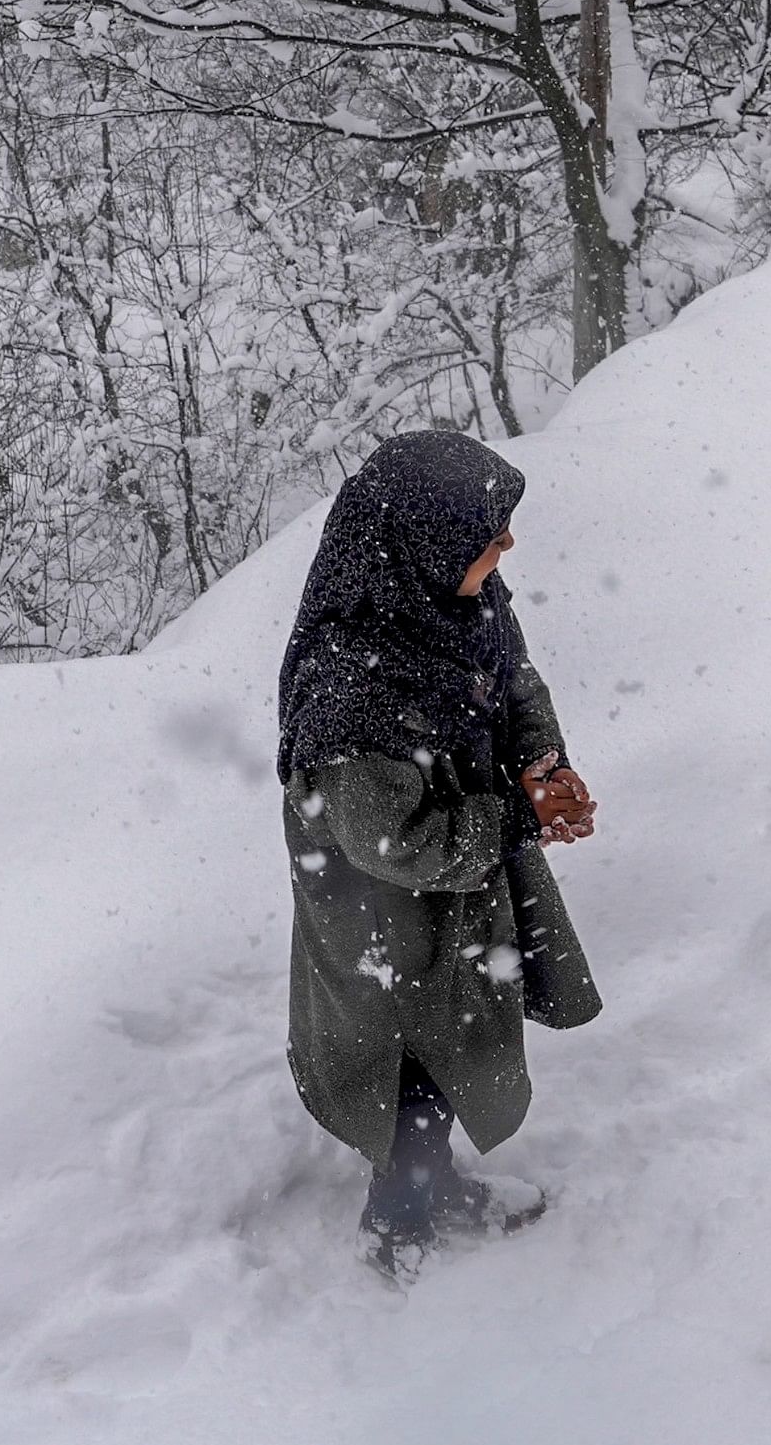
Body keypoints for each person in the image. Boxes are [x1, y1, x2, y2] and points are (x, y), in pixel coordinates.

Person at [277, 430, 602, 1277]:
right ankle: (398, 1230)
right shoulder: (348, 695)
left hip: (457, 901)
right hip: (384, 925)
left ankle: (435, 1191)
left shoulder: (453, 601)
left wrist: (542, 764)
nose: (506, 549)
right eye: (489, 536)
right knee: (411, 1082)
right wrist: (520, 816)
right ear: (418, 546)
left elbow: (517, 681)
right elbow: (396, 842)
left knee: (455, 1047)